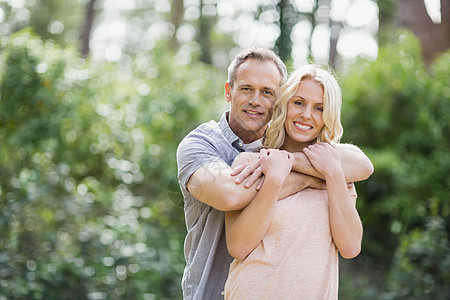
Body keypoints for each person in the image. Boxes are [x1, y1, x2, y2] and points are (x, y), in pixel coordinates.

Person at [177, 48, 373, 299]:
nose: (256, 100)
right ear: (229, 91)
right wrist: (295, 175)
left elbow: (364, 166)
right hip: (212, 291)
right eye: (247, 88)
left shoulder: (331, 168)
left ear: (278, 99)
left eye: (267, 92)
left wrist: (321, 169)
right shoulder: (207, 145)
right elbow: (231, 198)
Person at [224, 64, 368, 299]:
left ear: (328, 116)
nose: (306, 115)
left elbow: (351, 247)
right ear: (285, 104)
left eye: (319, 108)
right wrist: (274, 181)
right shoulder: (250, 164)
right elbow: (238, 246)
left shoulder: (338, 171)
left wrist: (332, 174)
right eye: (299, 103)